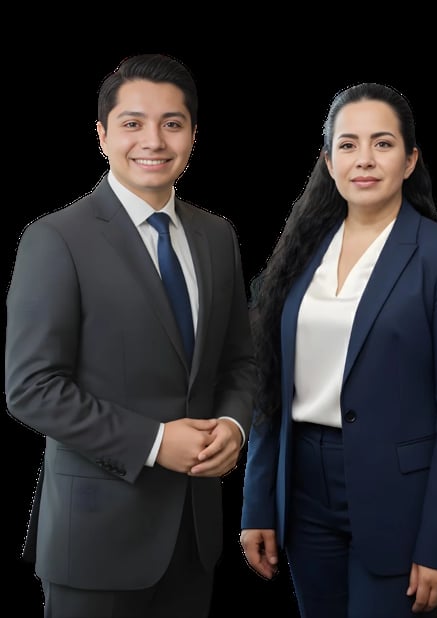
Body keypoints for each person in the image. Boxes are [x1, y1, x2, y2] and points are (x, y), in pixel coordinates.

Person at [5, 53, 254, 618]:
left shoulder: (218, 236)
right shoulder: (55, 239)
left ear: (193, 134)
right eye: (132, 123)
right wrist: (155, 443)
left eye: (172, 123)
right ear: (102, 135)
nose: (154, 141)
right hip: (95, 538)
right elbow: (32, 387)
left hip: (195, 537)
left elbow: (240, 359)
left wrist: (235, 425)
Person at [239, 82, 437, 617]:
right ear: (328, 161)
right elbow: (269, 387)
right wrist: (257, 502)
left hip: (399, 494)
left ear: (410, 159)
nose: (365, 160)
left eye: (382, 143)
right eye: (348, 145)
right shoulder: (298, 255)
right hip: (303, 485)